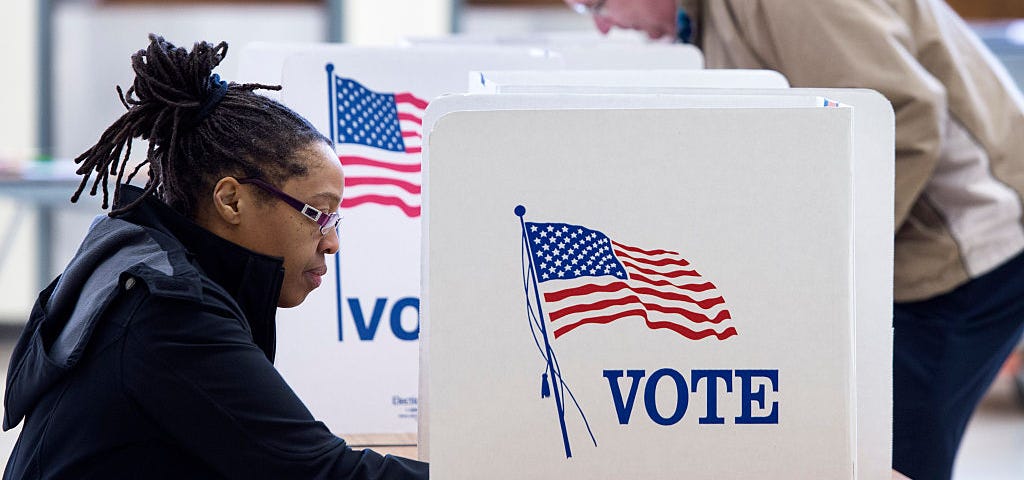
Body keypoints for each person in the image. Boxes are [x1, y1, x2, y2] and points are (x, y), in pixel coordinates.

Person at [564, 1, 1024, 479]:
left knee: (883, 455)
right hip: (913, 240)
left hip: (968, 239)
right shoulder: (713, 15)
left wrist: (808, 272)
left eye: (595, 2)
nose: (603, 26)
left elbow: (902, 118)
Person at [2, 35, 428, 479]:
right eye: (318, 213)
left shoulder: (139, 259)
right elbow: (322, 471)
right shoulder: (172, 313)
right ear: (232, 201)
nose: (331, 241)